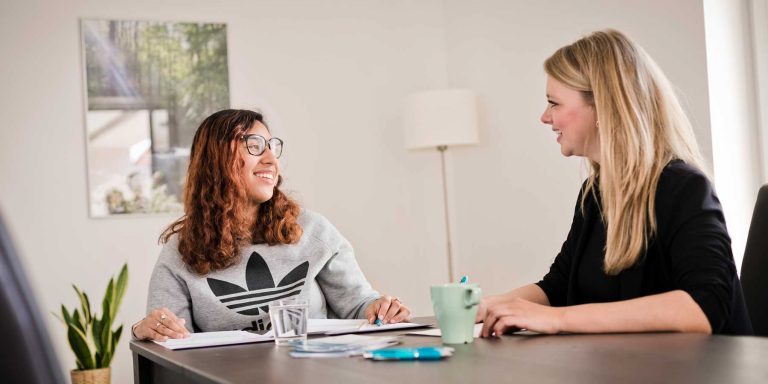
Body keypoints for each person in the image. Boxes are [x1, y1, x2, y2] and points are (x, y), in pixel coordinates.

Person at [478, 29, 752, 337]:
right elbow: (556, 287)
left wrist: (556, 319)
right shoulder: (595, 194)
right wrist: (483, 306)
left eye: (554, 103)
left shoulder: (683, 188)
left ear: (601, 107)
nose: (545, 117)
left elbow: (703, 307)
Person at [131, 109, 410, 341]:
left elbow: (359, 305)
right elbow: (169, 337)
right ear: (216, 159)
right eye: (254, 146)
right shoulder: (180, 251)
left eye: (272, 147)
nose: (271, 159)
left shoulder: (313, 231)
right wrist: (145, 328)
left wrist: (382, 308)